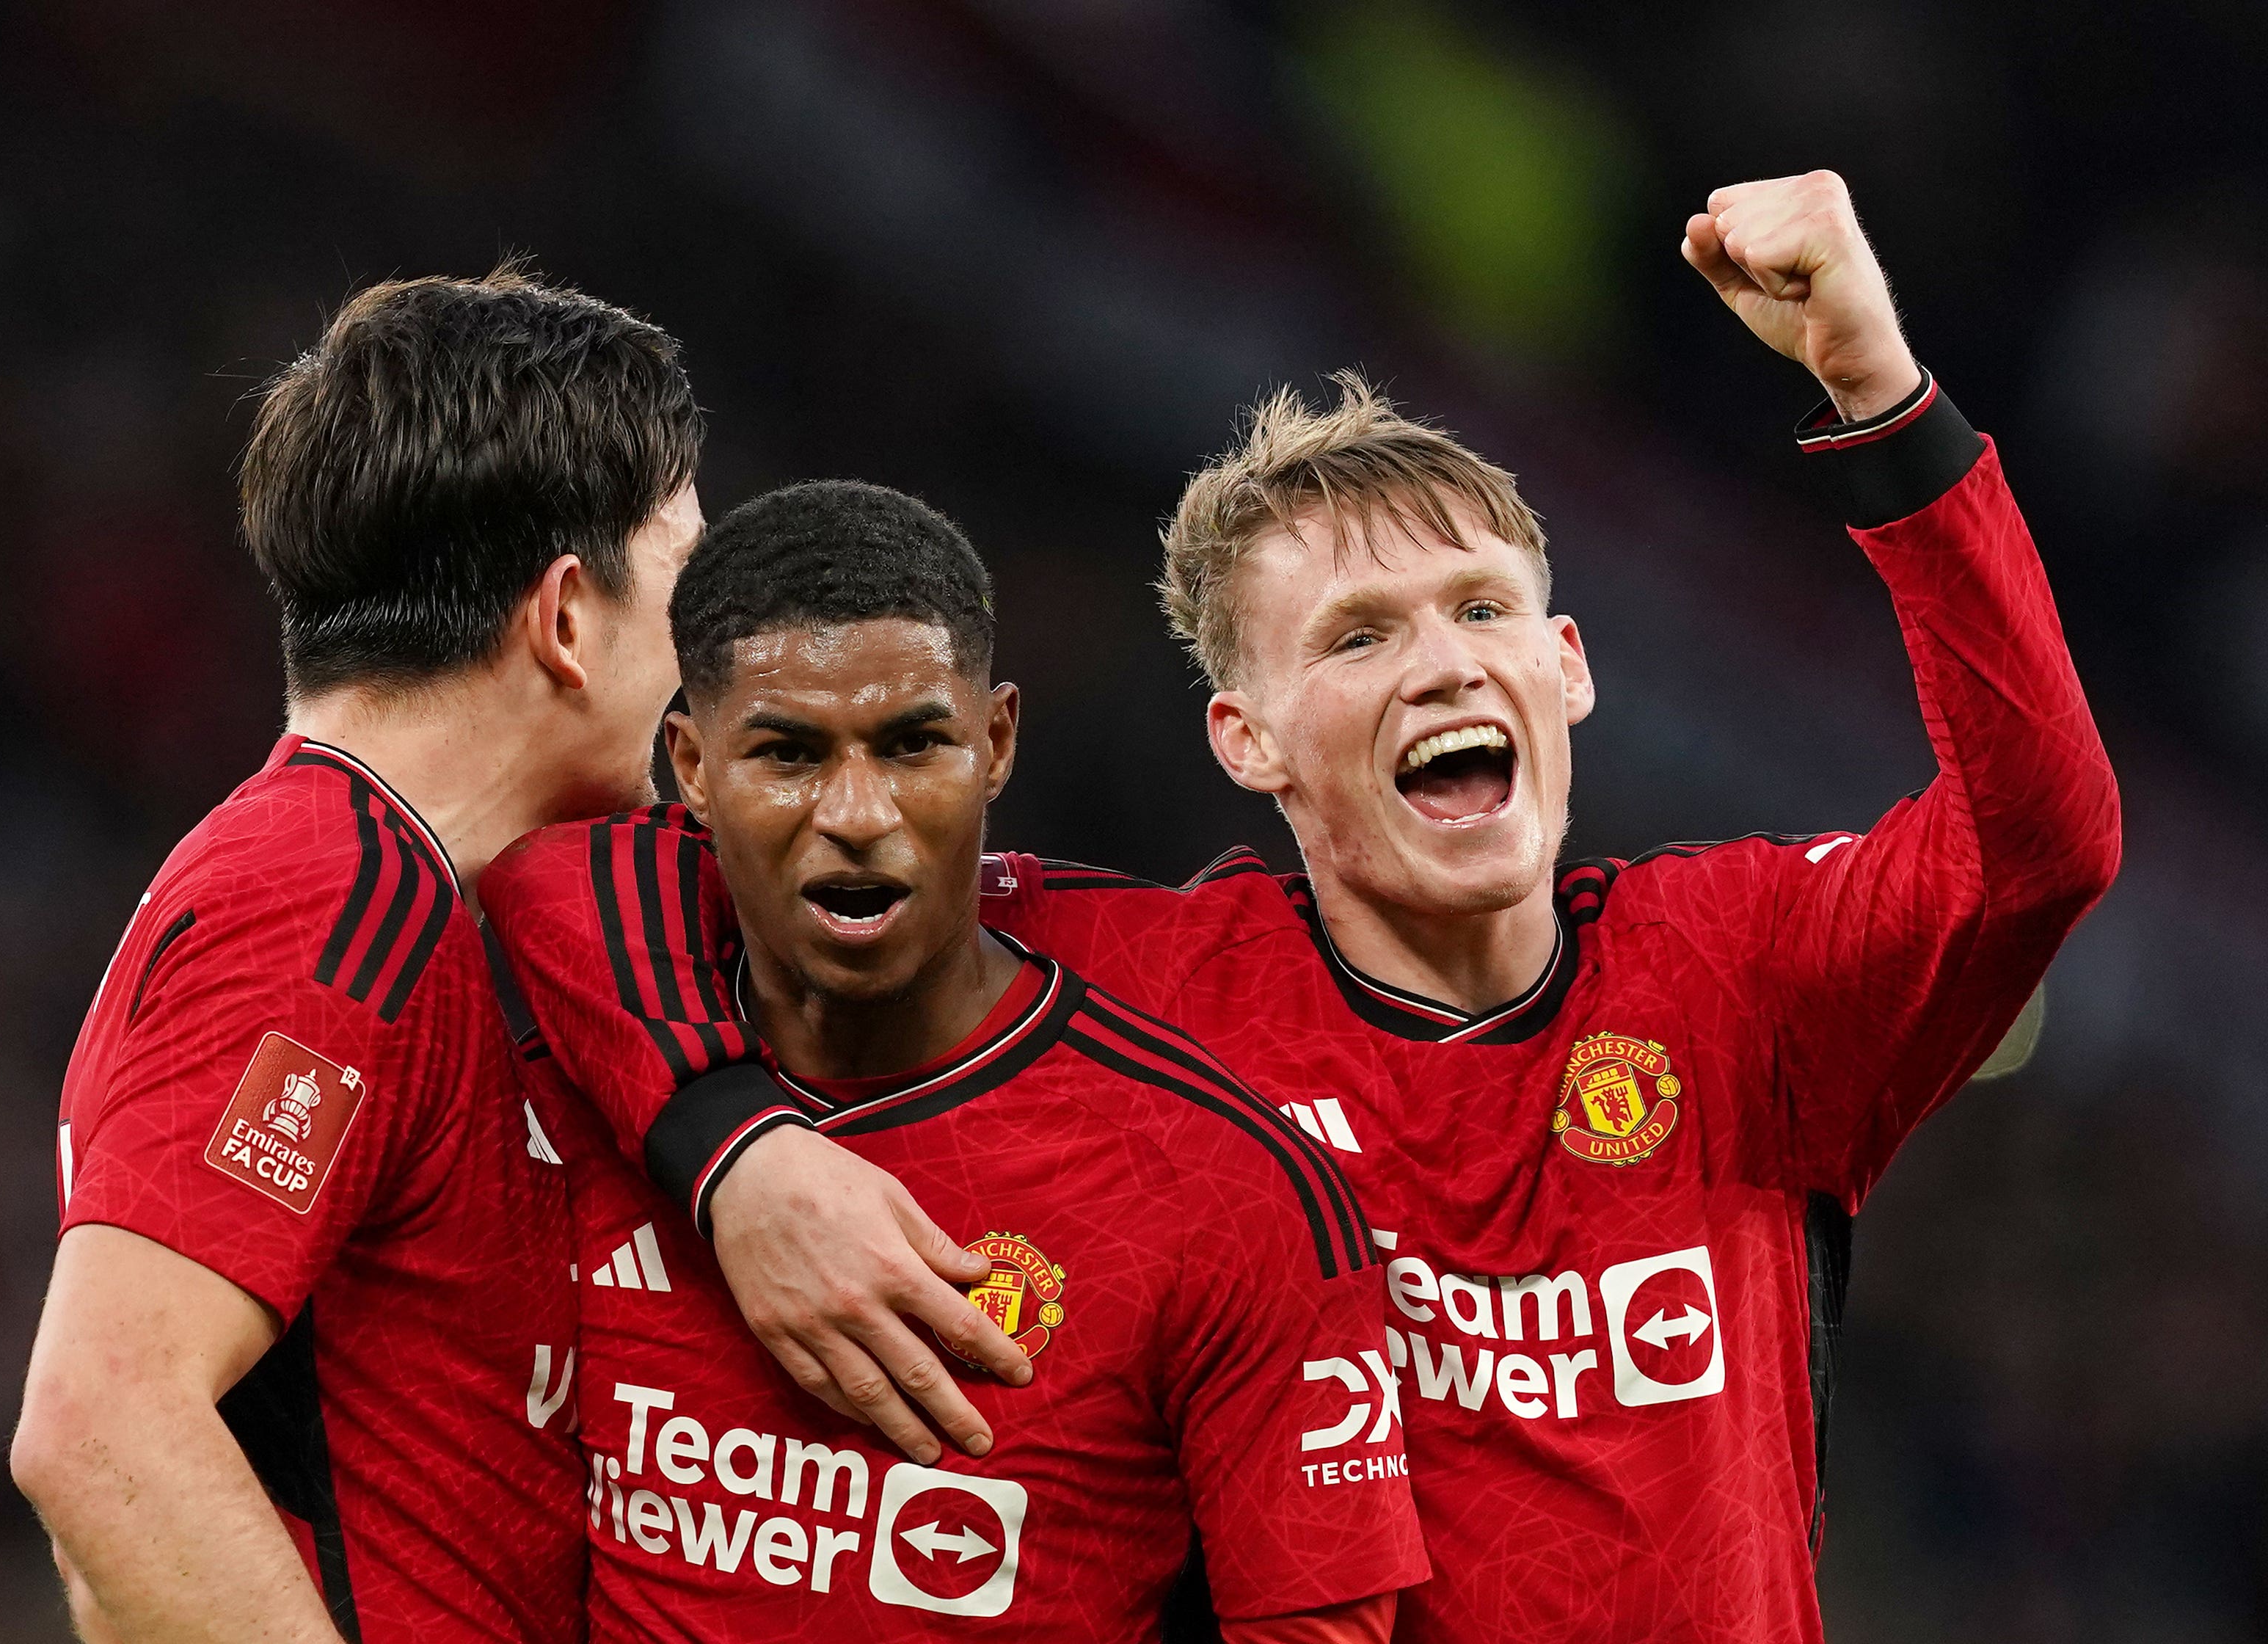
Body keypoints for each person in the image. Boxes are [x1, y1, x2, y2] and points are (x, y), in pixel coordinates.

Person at [588, 172, 2123, 1641]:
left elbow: (2044, 837)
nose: (1444, 663)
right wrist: (731, 1147)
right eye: (1358, 635)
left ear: (1567, 666)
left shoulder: (1740, 971)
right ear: (1246, 739)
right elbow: (649, 878)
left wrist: (1876, 383)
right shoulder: (1126, 984)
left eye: (1480, 610)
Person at [478, 481, 1426, 1642]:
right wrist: (736, 1154)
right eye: (785, 753)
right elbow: (544, 872)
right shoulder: (581, 1087)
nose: (858, 812)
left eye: (915, 743)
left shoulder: (1229, 1193)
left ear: (998, 743)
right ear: (690, 764)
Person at [11, 266, 726, 1643]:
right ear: (569, 617)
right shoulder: (329, 898)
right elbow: (101, 1425)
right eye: (688, 574)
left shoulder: (381, 889)